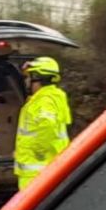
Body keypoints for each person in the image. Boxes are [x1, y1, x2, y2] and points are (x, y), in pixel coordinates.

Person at [15, 56, 72, 190]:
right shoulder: (51, 97)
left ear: (37, 78)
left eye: (28, 77)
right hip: (44, 167)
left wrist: (37, 150)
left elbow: (48, 126)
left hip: (36, 171)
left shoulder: (44, 101)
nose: (26, 81)